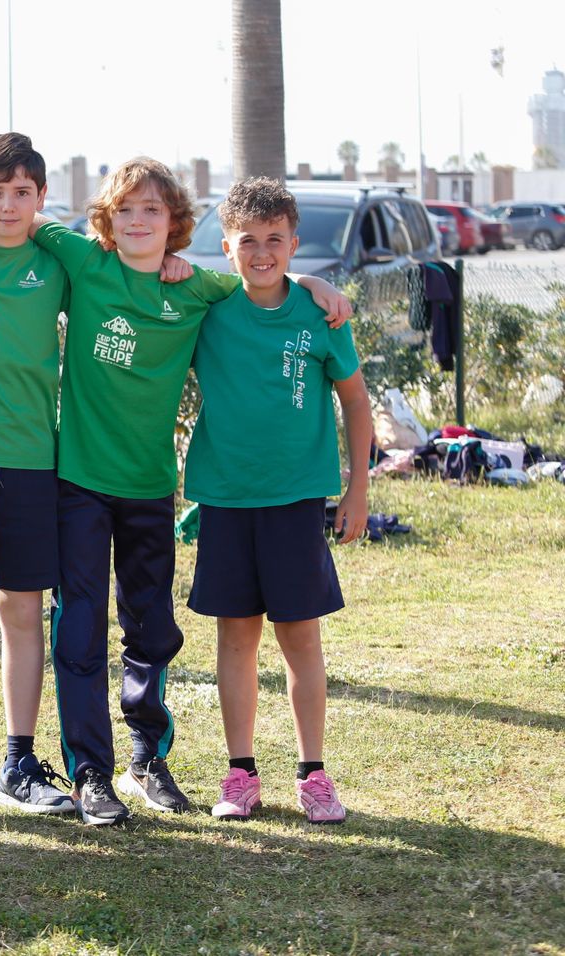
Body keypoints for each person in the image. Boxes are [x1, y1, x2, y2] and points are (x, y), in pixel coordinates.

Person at [0, 157, 351, 824]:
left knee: (151, 628)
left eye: (152, 210)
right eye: (125, 209)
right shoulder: (84, 262)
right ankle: (90, 771)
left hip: (151, 485)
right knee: (81, 624)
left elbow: (259, 276)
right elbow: (16, 215)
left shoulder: (196, 289)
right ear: (108, 219)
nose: (138, 220)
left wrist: (314, 281)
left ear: (173, 222)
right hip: (78, 483)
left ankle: (147, 758)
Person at [184, 177, 370, 825]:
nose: (261, 253)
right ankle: (240, 775)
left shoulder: (321, 314)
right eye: (247, 242)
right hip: (227, 500)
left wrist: (358, 489)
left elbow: (354, 401)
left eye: (274, 240)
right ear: (227, 248)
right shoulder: (208, 307)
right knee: (236, 638)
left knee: (300, 639)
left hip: (295, 502)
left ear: (294, 244)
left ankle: (313, 774)